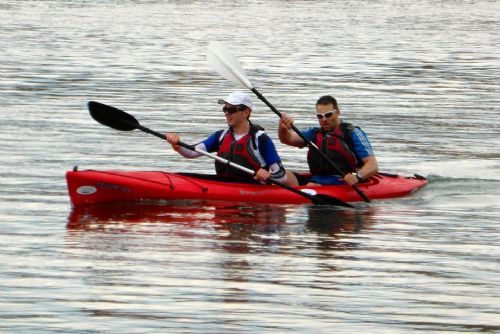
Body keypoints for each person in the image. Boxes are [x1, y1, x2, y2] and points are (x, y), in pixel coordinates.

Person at [166, 92, 298, 186]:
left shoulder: (261, 140)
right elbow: (191, 152)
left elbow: (281, 175)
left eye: (232, 109)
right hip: (224, 186)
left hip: (254, 193)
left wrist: (268, 177)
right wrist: (177, 145)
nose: (227, 113)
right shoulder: (220, 136)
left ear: (246, 112)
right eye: (225, 109)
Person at [278, 95, 378, 186]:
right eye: (320, 116)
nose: (324, 119)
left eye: (328, 114)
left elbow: (372, 164)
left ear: (338, 112)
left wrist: (357, 176)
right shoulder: (314, 133)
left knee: (311, 186)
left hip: (342, 182)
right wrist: (283, 127)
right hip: (316, 180)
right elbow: (287, 139)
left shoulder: (353, 133)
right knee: (281, 175)